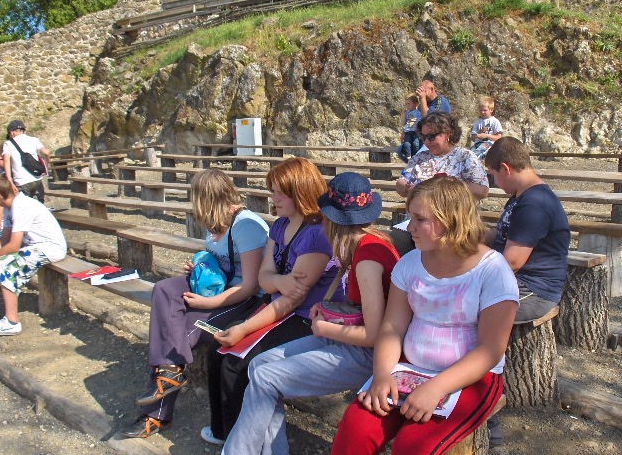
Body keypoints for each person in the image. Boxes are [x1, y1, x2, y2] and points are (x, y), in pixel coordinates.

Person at [331, 176, 519, 455]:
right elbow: (392, 327)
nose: (410, 227)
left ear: (451, 220)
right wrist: (381, 375)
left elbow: (490, 349)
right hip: (409, 368)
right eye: (410, 217)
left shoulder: (493, 271)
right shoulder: (410, 263)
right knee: (356, 428)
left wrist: (435, 388)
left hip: (470, 379)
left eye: (420, 219)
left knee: (413, 446)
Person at [222, 172, 400, 454]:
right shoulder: (367, 243)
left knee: (266, 378)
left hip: (371, 354)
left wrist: (325, 328)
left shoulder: (367, 258)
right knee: (259, 366)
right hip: (351, 338)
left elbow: (376, 335)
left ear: (329, 218)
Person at [202, 157, 343, 445]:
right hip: (278, 305)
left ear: (300, 193)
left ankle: (242, 443)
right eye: (273, 191)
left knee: (237, 363)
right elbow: (264, 277)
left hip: (306, 317)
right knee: (217, 350)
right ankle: (224, 432)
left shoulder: (317, 235)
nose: (274, 198)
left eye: (281, 193)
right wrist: (279, 281)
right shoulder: (280, 225)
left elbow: (292, 301)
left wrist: (245, 328)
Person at [120, 169, 270, 439]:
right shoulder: (215, 222)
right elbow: (222, 262)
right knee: (164, 289)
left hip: (243, 298)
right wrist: (200, 267)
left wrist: (208, 302)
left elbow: (250, 285)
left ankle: (156, 414)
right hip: (218, 286)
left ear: (204, 198)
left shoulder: (245, 226)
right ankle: (169, 373)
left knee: (183, 329)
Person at [483, 137, 570, 446]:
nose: (494, 182)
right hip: (517, 282)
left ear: (506, 168)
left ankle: (487, 417)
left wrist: (467, 265)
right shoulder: (521, 196)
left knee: (471, 318)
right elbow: (499, 236)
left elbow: (512, 262)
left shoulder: (535, 203)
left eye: (493, 175)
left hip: (534, 290)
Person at [0, 171, 67, 335]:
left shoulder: (21, 206)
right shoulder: (8, 207)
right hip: (32, 247)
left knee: (6, 266)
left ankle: (11, 321)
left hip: (48, 247)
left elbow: (13, 246)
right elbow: (4, 239)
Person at [393, 111, 489, 255]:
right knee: (392, 242)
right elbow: (401, 183)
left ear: (448, 134)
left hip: (453, 226)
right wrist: (406, 187)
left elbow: (482, 190)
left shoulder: (465, 157)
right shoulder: (419, 158)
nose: (427, 142)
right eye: (423, 137)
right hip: (418, 226)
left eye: (432, 136)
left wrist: (448, 187)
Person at [2, 120, 50, 203]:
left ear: (12, 133)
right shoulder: (34, 140)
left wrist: (10, 181)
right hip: (37, 179)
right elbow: (46, 153)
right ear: (24, 131)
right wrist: (45, 167)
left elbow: (6, 162)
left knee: (24, 205)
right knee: (39, 204)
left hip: (22, 181)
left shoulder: (8, 144)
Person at [469, 96, 503, 160]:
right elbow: (473, 138)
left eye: (485, 110)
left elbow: (499, 137)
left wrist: (486, 136)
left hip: (490, 144)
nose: (482, 112)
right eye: (481, 110)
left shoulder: (494, 121)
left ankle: (476, 161)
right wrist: (479, 133)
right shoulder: (477, 122)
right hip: (477, 144)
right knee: (469, 153)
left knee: (478, 152)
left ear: (491, 110)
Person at [397, 94, 422, 162]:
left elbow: (420, 121)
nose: (407, 106)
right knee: (406, 144)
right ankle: (408, 157)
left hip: (415, 131)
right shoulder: (407, 113)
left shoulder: (418, 112)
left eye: (409, 104)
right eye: (406, 104)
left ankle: (416, 157)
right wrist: (403, 115)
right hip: (408, 131)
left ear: (415, 104)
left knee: (415, 144)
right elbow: (402, 123)